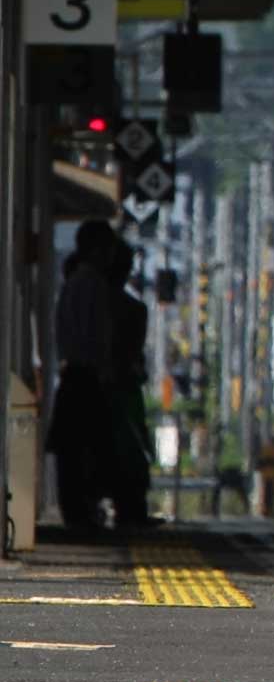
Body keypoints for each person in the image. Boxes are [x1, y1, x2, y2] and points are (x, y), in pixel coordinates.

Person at [45, 220, 120, 533]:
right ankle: (83, 511)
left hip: (72, 374)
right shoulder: (93, 284)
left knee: (72, 449)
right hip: (86, 376)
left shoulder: (73, 282)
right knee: (87, 447)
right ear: (98, 249)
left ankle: (76, 510)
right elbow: (97, 336)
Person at [107, 243, 156, 528]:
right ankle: (131, 507)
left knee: (119, 448)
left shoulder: (102, 301)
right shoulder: (135, 310)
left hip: (106, 383)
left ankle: (119, 506)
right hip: (123, 385)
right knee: (132, 448)